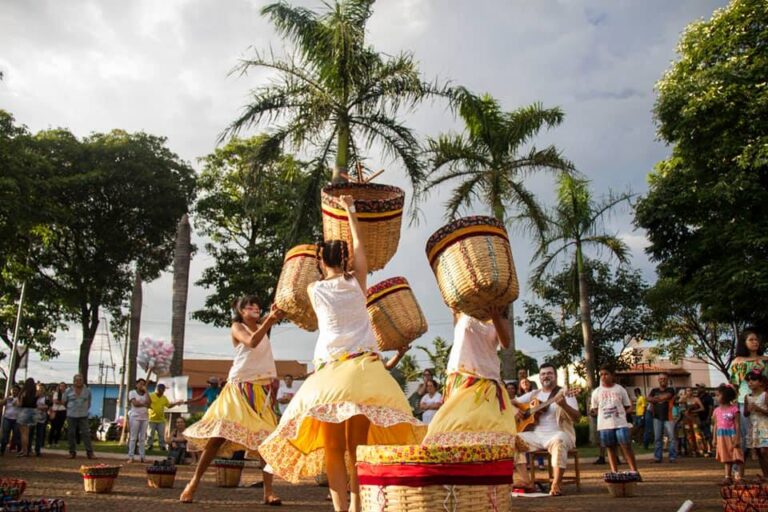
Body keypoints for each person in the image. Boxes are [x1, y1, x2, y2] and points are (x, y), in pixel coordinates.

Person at [258, 195, 425, 512]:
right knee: (357, 447)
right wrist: (350, 210)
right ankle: (359, 507)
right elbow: (360, 246)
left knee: (334, 449)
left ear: (322, 262)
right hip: (364, 373)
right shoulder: (356, 282)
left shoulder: (314, 289)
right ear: (347, 261)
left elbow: (306, 280)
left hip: (330, 376)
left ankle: (340, 509)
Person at [180, 295, 284, 506]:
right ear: (241, 311)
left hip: (261, 391)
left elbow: (280, 313)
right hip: (239, 388)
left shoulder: (265, 323)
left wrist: (279, 309)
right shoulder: (237, 326)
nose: (254, 307)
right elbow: (252, 342)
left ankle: (269, 492)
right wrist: (269, 321)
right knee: (218, 437)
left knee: (265, 440)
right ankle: (193, 483)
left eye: (256, 304)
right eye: (249, 306)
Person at [422, 306, 514, 446]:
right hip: (462, 378)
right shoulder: (462, 310)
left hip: (486, 383)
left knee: (484, 427)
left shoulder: (500, 315)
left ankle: (483, 465)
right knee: (454, 424)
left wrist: (495, 316)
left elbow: (505, 343)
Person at [513, 363, 581, 496]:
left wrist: (565, 405)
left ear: (555, 376)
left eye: (549, 373)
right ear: (539, 377)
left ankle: (556, 483)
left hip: (559, 433)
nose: (546, 376)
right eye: (543, 374)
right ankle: (527, 481)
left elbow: (577, 418)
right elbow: (511, 401)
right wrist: (516, 409)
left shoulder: (565, 393)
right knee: (512, 439)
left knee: (559, 440)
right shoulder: (534, 394)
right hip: (536, 435)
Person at [589, 367, 640, 477]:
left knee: (626, 445)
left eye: (606, 374)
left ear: (612, 375)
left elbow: (627, 405)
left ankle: (634, 471)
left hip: (620, 423)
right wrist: (604, 415)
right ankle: (614, 471)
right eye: (601, 374)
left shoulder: (619, 389)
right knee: (610, 447)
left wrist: (620, 414)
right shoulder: (596, 392)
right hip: (605, 424)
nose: (603, 376)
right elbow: (595, 408)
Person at [730, 328, 768, 451]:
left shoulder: (766, 360)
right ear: (743, 342)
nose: (755, 342)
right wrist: (734, 399)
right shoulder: (738, 361)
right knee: (747, 435)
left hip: (765, 399)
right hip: (745, 401)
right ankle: (738, 467)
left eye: (756, 339)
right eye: (751, 339)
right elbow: (734, 384)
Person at [713, 383, 743, 485]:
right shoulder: (716, 410)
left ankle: (739, 477)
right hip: (721, 435)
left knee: (737, 456)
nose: (716, 397)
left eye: (718, 395)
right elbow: (716, 425)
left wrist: (737, 438)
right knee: (726, 457)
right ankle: (727, 477)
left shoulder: (734, 409)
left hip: (732, 434)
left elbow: (738, 424)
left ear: (726, 396)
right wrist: (714, 438)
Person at [64, 374, 94, 459]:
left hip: (83, 415)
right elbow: (64, 402)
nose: (78, 381)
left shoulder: (87, 390)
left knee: (86, 433)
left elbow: (89, 402)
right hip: (71, 415)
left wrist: (85, 409)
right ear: (74, 381)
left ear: (83, 381)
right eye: (77, 380)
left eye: (80, 380)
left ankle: (89, 452)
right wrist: (70, 408)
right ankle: (72, 452)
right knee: (71, 433)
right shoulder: (68, 390)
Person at [146, 383, 184, 451]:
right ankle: (149, 446)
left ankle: (162, 446)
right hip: (151, 419)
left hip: (161, 419)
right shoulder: (151, 395)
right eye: (161, 390)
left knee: (161, 434)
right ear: (157, 389)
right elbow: (146, 403)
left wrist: (176, 403)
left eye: (163, 390)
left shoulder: (164, 398)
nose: (162, 391)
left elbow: (168, 406)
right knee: (150, 434)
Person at [745, 369, 768, 478]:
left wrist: (759, 409)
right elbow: (745, 413)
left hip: (765, 426)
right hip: (754, 426)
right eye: (748, 381)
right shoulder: (747, 397)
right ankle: (765, 475)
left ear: (760, 382)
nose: (750, 383)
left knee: (765, 451)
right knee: (759, 452)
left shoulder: (765, 395)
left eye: (753, 380)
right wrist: (748, 410)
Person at [648, 373, 677, 463]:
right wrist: (660, 398)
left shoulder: (671, 389)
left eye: (664, 378)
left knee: (672, 438)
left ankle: (672, 457)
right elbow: (648, 398)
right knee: (657, 438)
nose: (662, 380)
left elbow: (668, 396)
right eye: (661, 379)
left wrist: (656, 398)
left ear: (667, 380)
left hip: (669, 417)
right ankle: (657, 457)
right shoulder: (654, 390)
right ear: (658, 380)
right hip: (657, 417)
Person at [127, 378, 150, 463]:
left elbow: (149, 403)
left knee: (142, 438)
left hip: (144, 417)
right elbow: (135, 403)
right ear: (136, 384)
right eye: (140, 383)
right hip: (135, 417)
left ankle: (142, 456)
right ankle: (131, 456)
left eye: (143, 384)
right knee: (133, 437)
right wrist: (144, 404)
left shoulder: (145, 394)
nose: (141, 385)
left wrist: (146, 391)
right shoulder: (132, 392)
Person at [15, 378, 37, 457]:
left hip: (24, 411)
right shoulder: (35, 393)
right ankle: (27, 450)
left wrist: (17, 401)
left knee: (23, 433)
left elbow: (19, 404)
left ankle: (24, 450)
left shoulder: (23, 393)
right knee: (27, 433)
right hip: (33, 412)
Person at [682, 387, 706, 456]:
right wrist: (683, 397)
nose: (688, 392)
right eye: (687, 391)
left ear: (692, 391)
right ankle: (692, 451)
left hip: (695, 418)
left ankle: (701, 450)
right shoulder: (684, 399)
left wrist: (694, 411)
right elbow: (680, 405)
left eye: (689, 390)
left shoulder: (696, 399)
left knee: (697, 434)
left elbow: (702, 408)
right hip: (686, 419)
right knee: (689, 435)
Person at [0, 385, 21, 455]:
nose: (14, 391)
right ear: (10, 391)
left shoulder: (19, 398)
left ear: (18, 391)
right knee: (5, 434)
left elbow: (18, 405)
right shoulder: (8, 398)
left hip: (16, 419)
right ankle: (2, 450)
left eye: (16, 390)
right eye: (13, 390)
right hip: (7, 418)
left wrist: (16, 400)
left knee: (16, 435)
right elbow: (1, 403)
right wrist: (5, 400)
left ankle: (18, 450)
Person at [31, 382, 49, 456]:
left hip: (42, 418)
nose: (40, 390)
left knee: (39, 435)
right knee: (30, 434)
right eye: (38, 388)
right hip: (32, 418)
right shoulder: (33, 397)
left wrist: (41, 407)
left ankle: (37, 450)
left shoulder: (46, 398)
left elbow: (48, 406)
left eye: (42, 389)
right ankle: (28, 449)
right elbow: (30, 405)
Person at [697, 384, 715, 457]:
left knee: (707, 434)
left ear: (704, 388)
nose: (699, 389)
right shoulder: (698, 397)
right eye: (698, 387)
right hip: (698, 418)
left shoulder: (708, 397)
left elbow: (711, 407)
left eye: (700, 387)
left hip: (705, 417)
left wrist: (709, 417)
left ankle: (709, 450)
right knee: (700, 435)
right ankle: (703, 449)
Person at [48, 382, 67, 447]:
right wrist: (62, 402)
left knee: (59, 427)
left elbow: (65, 402)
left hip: (62, 411)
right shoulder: (56, 393)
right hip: (55, 411)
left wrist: (61, 402)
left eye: (63, 386)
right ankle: (50, 442)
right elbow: (55, 401)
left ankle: (56, 441)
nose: (62, 387)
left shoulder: (66, 394)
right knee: (53, 427)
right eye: (61, 386)